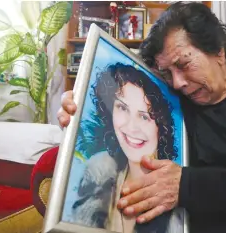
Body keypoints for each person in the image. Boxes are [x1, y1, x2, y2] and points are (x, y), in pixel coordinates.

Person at [58, 2, 226, 233]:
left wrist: (186, 185)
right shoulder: (172, 111)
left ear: (219, 51)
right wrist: (81, 108)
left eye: (184, 64)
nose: (177, 82)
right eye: (167, 73)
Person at [70, 63, 183, 233]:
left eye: (145, 117)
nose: (131, 127)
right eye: (122, 108)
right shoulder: (98, 173)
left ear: (162, 126)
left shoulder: (178, 192)